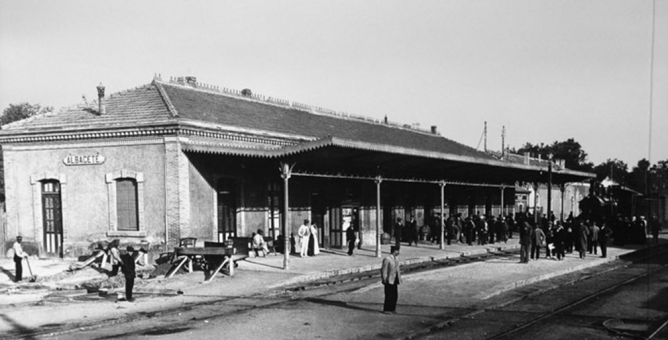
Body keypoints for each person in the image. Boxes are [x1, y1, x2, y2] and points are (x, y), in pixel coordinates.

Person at [380, 246, 401, 314]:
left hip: (395, 279)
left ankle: (392, 309)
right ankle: (386, 309)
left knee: (394, 295)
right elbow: (384, 270)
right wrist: (384, 279)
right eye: (397, 250)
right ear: (394, 251)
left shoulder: (396, 259)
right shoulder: (387, 259)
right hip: (389, 279)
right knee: (389, 295)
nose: (398, 252)